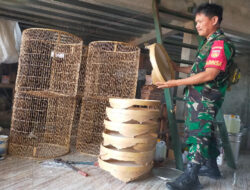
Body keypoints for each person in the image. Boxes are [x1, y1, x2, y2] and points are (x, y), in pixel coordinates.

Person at [156, 3, 235, 190]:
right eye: (196, 22)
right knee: (207, 132)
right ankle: (211, 167)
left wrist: (174, 83)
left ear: (214, 20)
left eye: (200, 21)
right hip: (199, 98)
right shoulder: (208, 43)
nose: (197, 25)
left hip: (205, 98)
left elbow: (209, 74)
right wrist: (177, 69)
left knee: (198, 134)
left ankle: (191, 177)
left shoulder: (219, 44)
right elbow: (198, 70)